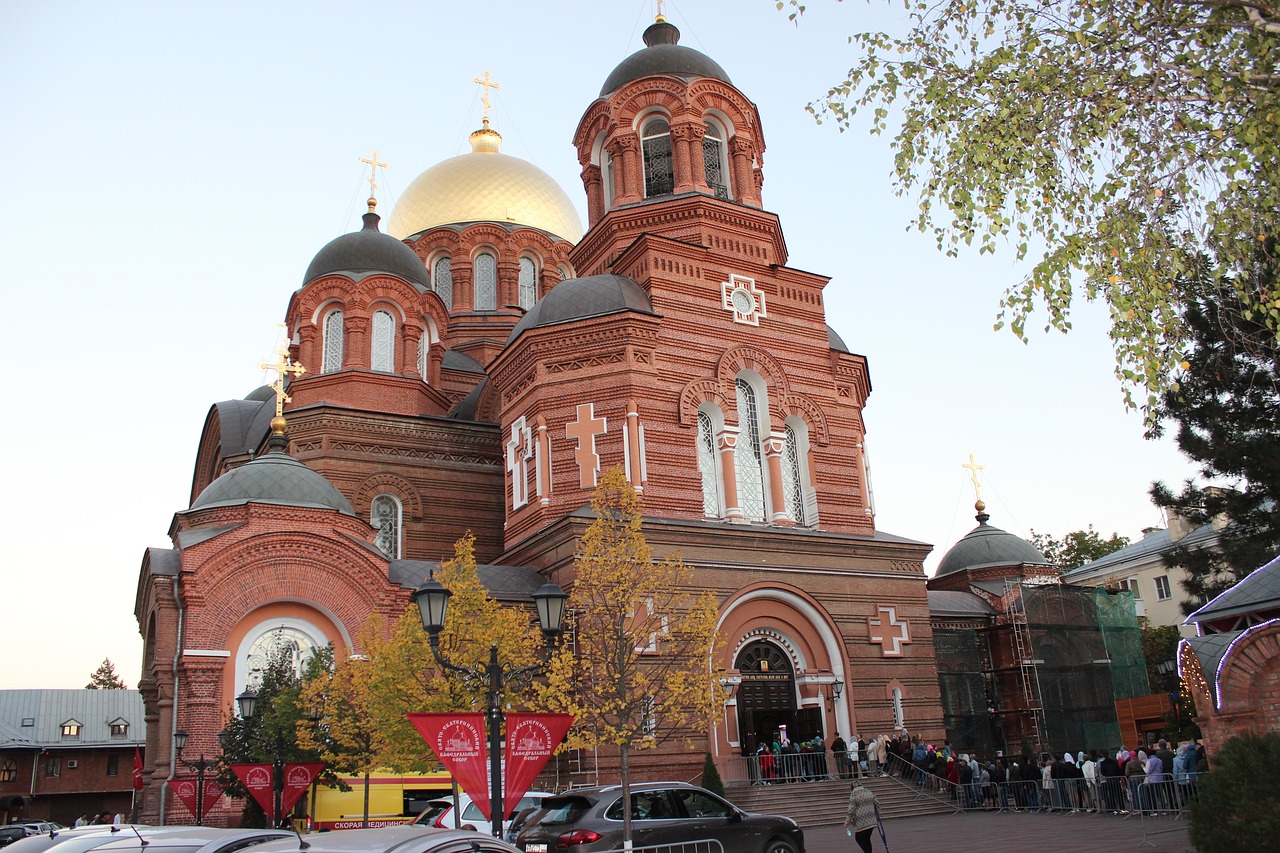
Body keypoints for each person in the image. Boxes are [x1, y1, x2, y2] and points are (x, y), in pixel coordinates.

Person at [844, 784, 881, 853]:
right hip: (871, 820)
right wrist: (877, 815)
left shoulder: (854, 795)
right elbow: (877, 803)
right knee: (866, 838)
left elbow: (851, 810)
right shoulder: (869, 792)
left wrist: (847, 822)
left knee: (859, 838)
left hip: (861, 821)